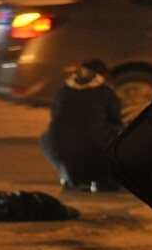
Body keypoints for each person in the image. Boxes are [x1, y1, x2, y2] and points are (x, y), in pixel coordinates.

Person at [39, 59, 123, 191]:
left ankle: (68, 174)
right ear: (103, 74)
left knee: (49, 137)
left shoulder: (63, 90)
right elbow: (117, 123)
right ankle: (101, 178)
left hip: (59, 150)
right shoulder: (107, 92)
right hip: (95, 151)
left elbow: (56, 118)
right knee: (120, 137)